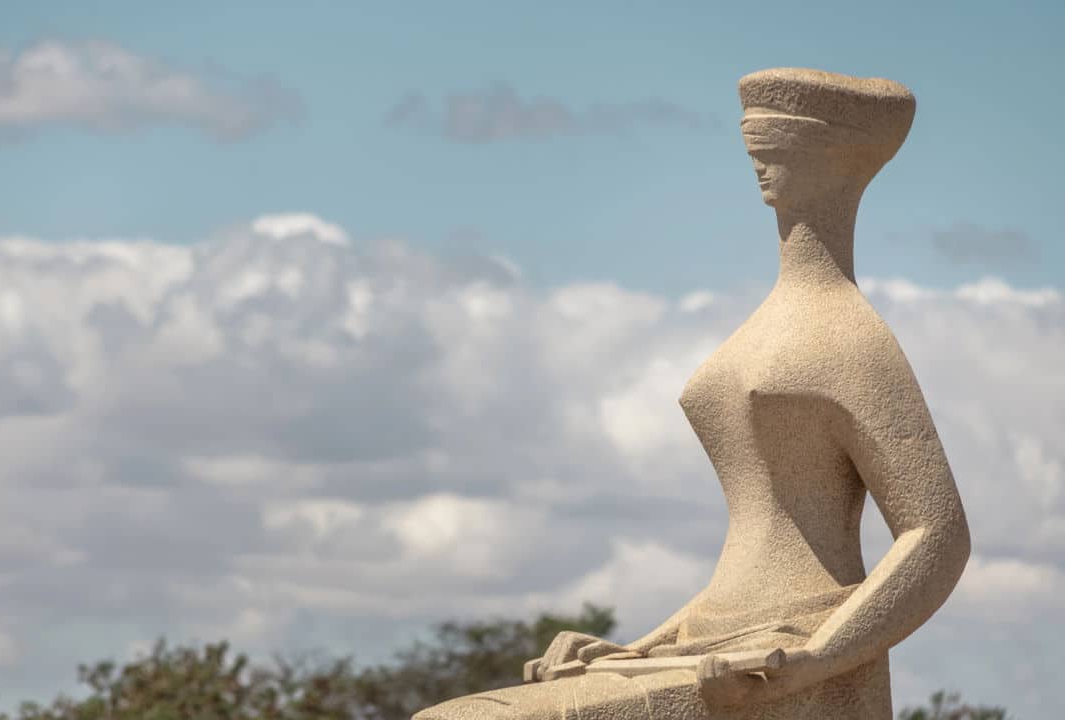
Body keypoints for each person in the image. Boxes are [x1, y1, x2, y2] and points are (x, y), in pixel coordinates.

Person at [413, 67, 970, 720]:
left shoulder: (852, 340)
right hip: (711, 640)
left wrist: (815, 662)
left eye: (778, 150)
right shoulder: (768, 326)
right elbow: (754, 549)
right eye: (756, 151)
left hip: (779, 653)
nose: (760, 166)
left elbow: (938, 533)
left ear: (834, 158)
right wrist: (636, 649)